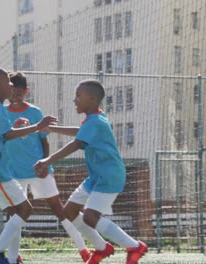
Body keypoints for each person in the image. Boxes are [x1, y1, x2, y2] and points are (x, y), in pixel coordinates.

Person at [34, 79, 147, 264]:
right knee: (69, 212)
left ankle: (134, 246)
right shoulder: (94, 119)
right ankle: (102, 248)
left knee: (90, 217)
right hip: (96, 177)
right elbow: (80, 131)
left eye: (78, 95)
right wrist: (52, 129)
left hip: (109, 176)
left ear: (92, 98)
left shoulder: (96, 121)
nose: (74, 100)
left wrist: (47, 160)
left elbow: (77, 143)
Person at [5, 71, 90, 263]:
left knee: (59, 209)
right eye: (12, 91)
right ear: (7, 90)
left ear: (26, 91)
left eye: (19, 92)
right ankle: (13, 255)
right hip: (13, 172)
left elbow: (44, 141)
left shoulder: (35, 111)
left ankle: (83, 249)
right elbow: (2, 140)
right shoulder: (1, 113)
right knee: (13, 213)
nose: (16, 95)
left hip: (37, 169)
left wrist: (46, 164)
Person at [0, 67, 57, 264]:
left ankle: (11, 259)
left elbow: (6, 131)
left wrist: (19, 125)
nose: (12, 85)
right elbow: (8, 135)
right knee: (24, 210)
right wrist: (37, 126)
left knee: (18, 214)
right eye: (7, 82)